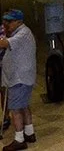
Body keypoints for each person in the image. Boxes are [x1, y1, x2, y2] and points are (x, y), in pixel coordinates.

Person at [0, 10, 35, 149]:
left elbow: (4, 44)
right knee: (24, 105)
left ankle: (19, 139)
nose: (6, 24)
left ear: (18, 22)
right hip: (22, 77)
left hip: (19, 78)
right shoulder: (20, 32)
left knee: (15, 109)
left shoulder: (22, 34)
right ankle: (29, 132)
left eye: (9, 22)